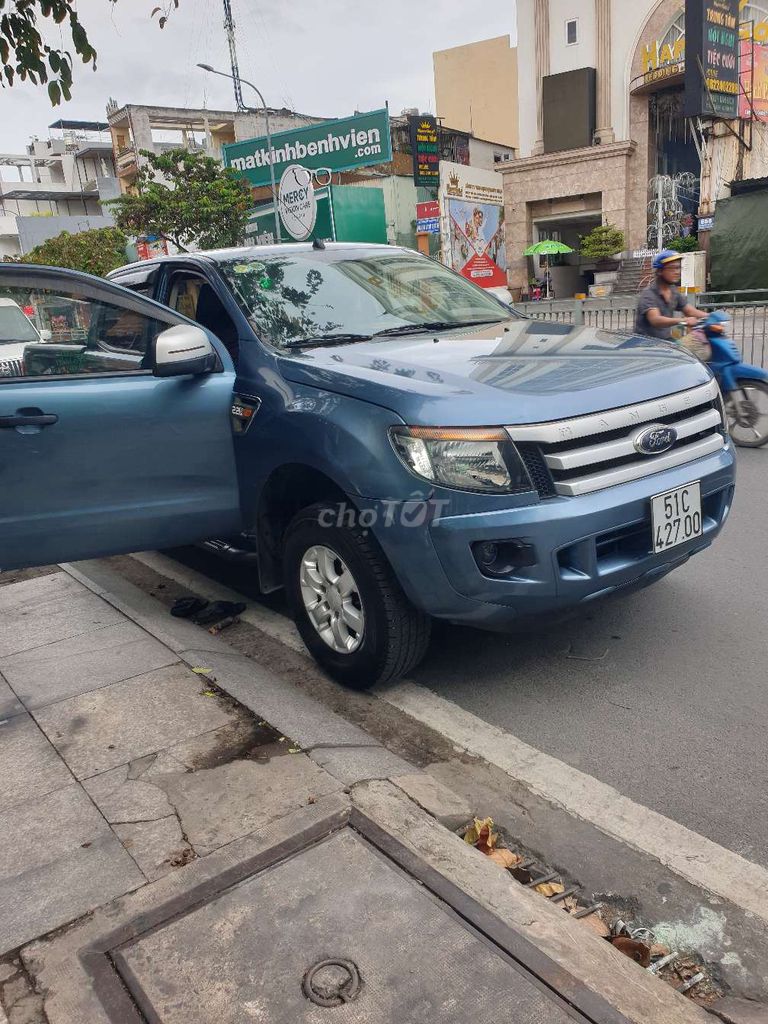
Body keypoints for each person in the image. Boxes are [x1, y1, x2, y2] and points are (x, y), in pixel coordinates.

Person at [634, 250, 706, 340]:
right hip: (647, 346)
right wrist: (683, 320)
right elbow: (655, 319)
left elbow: (689, 311)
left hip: (666, 342)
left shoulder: (673, 291)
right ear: (660, 271)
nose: (677, 272)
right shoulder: (648, 294)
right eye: (672, 268)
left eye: (679, 268)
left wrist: (710, 316)